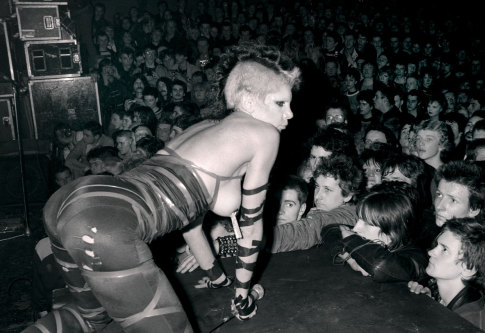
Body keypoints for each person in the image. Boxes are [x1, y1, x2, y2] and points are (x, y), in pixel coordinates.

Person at [26, 43, 300, 332]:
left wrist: (218, 278)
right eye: (280, 103)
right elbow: (252, 227)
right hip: (104, 223)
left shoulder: (207, 126)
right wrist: (243, 294)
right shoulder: (265, 134)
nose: (290, 114)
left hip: (70, 202)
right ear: (248, 100)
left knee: (91, 318)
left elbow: (190, 222)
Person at [322, 181, 428, 282]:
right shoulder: (377, 237)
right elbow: (330, 229)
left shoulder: (416, 258)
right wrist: (352, 260)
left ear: (391, 233)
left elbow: (380, 267)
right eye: (359, 220)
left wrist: (350, 241)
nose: (355, 228)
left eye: (367, 223)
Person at [409, 218, 485, 332]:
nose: (431, 252)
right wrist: (429, 304)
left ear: (468, 268)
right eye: (437, 245)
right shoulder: (442, 296)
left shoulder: (467, 324)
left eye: (444, 249)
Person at [271, 155, 363, 253]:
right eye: (317, 187)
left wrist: (263, 239)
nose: (317, 196)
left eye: (327, 189)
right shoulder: (325, 212)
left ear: (348, 195)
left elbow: (310, 230)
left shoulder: (348, 216)